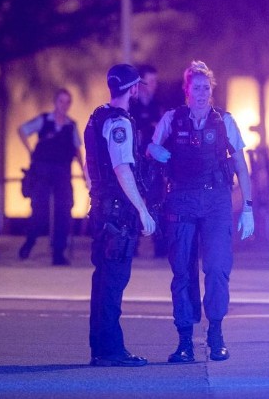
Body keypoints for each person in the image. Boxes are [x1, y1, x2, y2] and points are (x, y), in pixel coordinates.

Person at [147, 61, 254, 362]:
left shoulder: (224, 121)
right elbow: (151, 150)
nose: (202, 93)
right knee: (182, 271)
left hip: (216, 201)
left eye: (207, 88)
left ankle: (216, 334)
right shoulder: (172, 119)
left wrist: (248, 207)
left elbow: (240, 167)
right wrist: (154, 150)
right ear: (187, 90)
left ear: (212, 90)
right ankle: (184, 342)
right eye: (197, 88)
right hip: (180, 200)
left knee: (217, 268)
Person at [85, 63, 156, 367]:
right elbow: (122, 168)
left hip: (101, 208)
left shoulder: (95, 116)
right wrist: (142, 210)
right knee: (113, 281)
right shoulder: (120, 123)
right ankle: (111, 351)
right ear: (133, 88)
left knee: (103, 281)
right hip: (116, 212)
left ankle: (101, 349)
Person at [17, 88, 83, 266]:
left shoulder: (71, 125)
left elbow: (77, 150)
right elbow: (23, 130)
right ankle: (30, 241)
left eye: (67, 102)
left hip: (62, 172)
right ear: (55, 102)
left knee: (64, 210)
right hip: (43, 171)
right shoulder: (44, 120)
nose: (64, 105)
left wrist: (85, 172)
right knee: (40, 211)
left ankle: (58, 252)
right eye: (61, 101)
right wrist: (30, 151)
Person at [129, 64, 167, 257]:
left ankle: (159, 246)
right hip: (135, 162)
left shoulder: (158, 106)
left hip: (154, 163)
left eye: (155, 81)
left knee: (156, 201)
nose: (153, 85)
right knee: (133, 201)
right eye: (150, 81)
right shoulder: (130, 106)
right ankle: (131, 244)